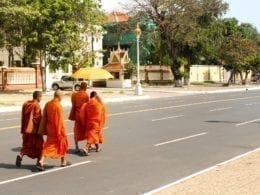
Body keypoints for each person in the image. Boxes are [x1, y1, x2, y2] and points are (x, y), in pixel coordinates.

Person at [37, 90, 71, 171]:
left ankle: (42, 161)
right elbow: (59, 120)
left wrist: (43, 128)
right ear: (59, 96)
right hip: (58, 129)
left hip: (50, 129)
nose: (62, 98)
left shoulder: (48, 104)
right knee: (62, 143)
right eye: (62, 96)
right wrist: (60, 131)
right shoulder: (58, 106)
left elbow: (44, 116)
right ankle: (62, 162)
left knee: (49, 145)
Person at [16, 91, 44, 167]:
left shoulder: (26, 104)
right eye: (41, 97)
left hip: (26, 129)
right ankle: (39, 162)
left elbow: (23, 117)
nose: (41, 98)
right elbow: (37, 119)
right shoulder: (36, 105)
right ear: (38, 97)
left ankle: (21, 156)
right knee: (40, 146)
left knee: (26, 145)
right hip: (34, 131)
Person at [68, 82, 89, 153]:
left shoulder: (75, 95)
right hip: (84, 116)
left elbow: (73, 103)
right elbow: (87, 106)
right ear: (85, 87)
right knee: (88, 130)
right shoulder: (86, 95)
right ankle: (88, 146)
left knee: (76, 131)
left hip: (77, 116)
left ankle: (77, 147)